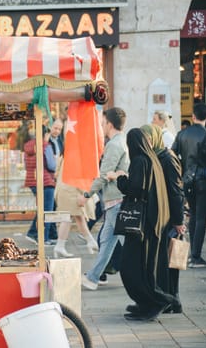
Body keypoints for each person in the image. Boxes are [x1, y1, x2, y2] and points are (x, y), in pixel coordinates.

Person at [110, 128, 173, 321]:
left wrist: (120, 179)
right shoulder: (153, 160)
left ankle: (156, 301)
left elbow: (136, 190)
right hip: (152, 223)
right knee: (143, 268)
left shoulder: (139, 161)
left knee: (132, 267)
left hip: (142, 226)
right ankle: (146, 303)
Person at [79, 107, 129, 291]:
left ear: (109, 123)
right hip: (115, 202)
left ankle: (145, 277)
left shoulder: (114, 145)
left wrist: (86, 195)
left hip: (116, 201)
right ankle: (92, 278)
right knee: (108, 242)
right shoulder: (121, 142)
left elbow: (102, 176)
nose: (101, 124)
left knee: (127, 244)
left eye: (103, 121)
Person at [139, 124, 185, 314]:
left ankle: (174, 301)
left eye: (148, 138)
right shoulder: (155, 156)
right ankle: (168, 300)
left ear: (155, 137)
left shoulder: (167, 157)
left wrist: (179, 220)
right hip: (161, 215)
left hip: (170, 218)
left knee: (171, 262)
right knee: (163, 261)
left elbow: (176, 191)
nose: (146, 142)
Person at [171, 102, 206, 268]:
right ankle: (195, 255)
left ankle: (193, 255)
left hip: (187, 180)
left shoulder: (182, 134)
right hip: (202, 180)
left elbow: (172, 154)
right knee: (200, 217)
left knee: (193, 215)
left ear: (193, 116)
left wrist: (182, 171)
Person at [53, 161, 98, 258]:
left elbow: (56, 173)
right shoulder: (75, 157)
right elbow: (79, 177)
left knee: (77, 217)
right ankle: (60, 245)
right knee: (69, 218)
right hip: (72, 190)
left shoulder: (64, 156)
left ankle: (90, 241)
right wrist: (86, 194)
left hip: (64, 189)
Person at [24, 124, 57, 246]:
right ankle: (43, 238)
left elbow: (25, 165)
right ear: (45, 134)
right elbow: (52, 166)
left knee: (42, 209)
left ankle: (33, 233)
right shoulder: (45, 146)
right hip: (46, 181)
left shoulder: (28, 146)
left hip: (32, 181)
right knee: (47, 211)